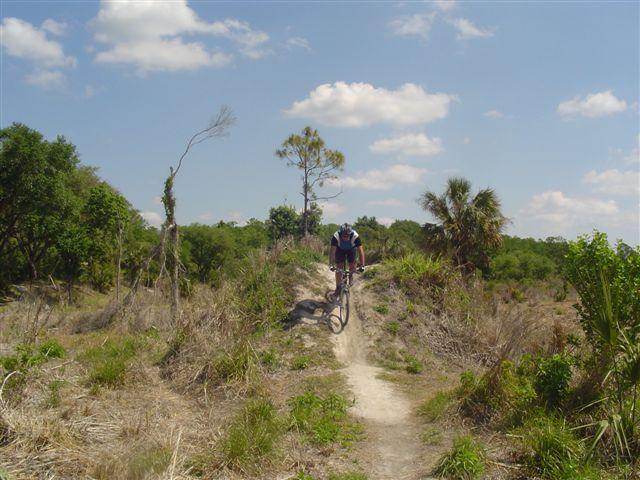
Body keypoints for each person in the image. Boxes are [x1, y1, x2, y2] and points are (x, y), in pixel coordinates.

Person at [329, 223, 365, 296]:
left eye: (347, 235)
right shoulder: (336, 236)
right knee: (339, 267)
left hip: (351, 249)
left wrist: (362, 265)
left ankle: (350, 280)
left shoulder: (355, 236)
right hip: (340, 249)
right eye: (344, 235)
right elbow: (332, 251)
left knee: (352, 266)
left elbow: (361, 251)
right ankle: (338, 288)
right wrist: (331, 264)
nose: (346, 237)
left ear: (350, 233)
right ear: (341, 233)